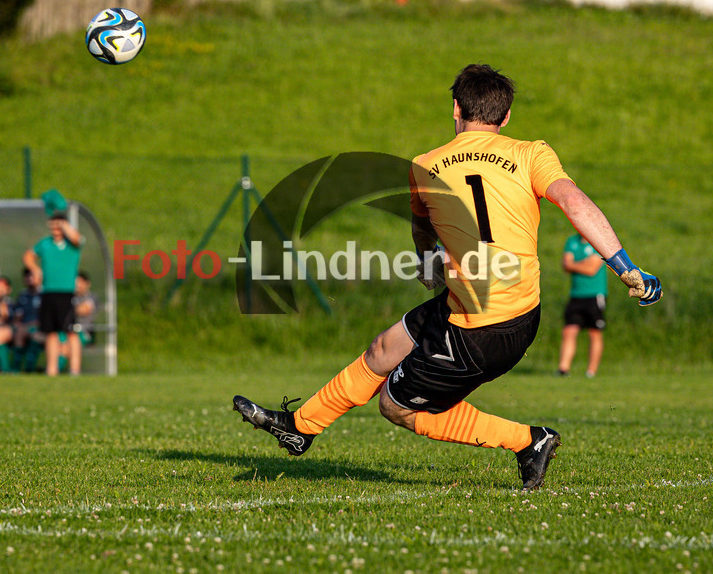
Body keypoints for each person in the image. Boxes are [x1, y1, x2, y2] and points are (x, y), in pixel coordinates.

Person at [233, 64, 662, 491]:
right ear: (506, 116)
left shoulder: (425, 165)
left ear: (455, 108)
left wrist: (425, 262)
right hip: (504, 310)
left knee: (394, 406)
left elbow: (422, 227)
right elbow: (573, 201)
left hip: (481, 330)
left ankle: (530, 441)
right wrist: (624, 265)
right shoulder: (531, 153)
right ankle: (301, 426)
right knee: (382, 349)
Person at [23, 211, 84, 376]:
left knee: (71, 331)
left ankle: (75, 369)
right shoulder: (45, 244)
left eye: (59, 226)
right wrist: (36, 269)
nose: (55, 229)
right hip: (49, 292)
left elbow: (77, 238)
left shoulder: (72, 244)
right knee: (50, 332)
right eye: (53, 226)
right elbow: (28, 256)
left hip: (66, 293)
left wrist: (65, 226)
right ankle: (52, 369)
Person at [557, 232, 608, 377]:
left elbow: (592, 269)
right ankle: (563, 369)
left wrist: (574, 265)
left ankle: (591, 371)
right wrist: (584, 263)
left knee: (594, 332)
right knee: (569, 330)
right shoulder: (572, 241)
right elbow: (566, 265)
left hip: (595, 293)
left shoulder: (598, 242)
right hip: (576, 294)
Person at [12, 268, 44, 373]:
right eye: (27, 276)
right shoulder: (22, 295)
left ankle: (29, 369)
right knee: (19, 333)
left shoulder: (45, 294)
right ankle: (15, 369)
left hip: (41, 327)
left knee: (35, 335)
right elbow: (18, 316)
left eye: (32, 276)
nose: (30, 278)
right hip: (25, 326)